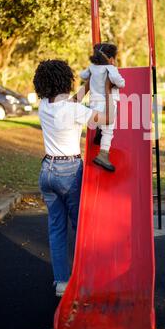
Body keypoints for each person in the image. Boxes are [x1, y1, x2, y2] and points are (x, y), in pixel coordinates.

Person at [33, 59, 114, 297]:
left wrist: (88, 85)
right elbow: (107, 118)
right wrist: (107, 90)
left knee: (56, 228)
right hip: (69, 171)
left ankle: (61, 282)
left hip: (46, 170)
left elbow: (72, 102)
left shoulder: (44, 105)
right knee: (81, 228)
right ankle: (86, 276)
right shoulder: (73, 110)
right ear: (65, 80)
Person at [80, 43, 125, 172]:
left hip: (94, 103)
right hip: (107, 103)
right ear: (111, 59)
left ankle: (99, 130)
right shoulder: (110, 69)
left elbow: (82, 76)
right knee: (108, 131)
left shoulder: (92, 68)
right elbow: (121, 83)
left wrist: (91, 75)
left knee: (100, 121)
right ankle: (103, 154)